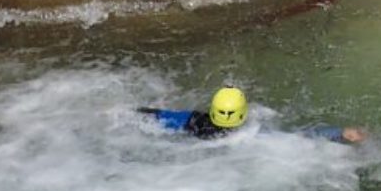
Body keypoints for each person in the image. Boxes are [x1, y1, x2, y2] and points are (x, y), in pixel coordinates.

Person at [137, 86, 366, 143]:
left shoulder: (190, 120)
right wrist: (340, 132)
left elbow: (154, 115)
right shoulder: (253, 135)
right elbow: (302, 137)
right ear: (242, 114)